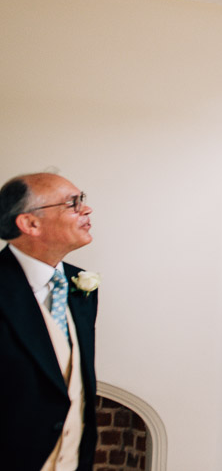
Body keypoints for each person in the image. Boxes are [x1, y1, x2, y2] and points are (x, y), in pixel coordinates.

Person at [0, 172, 99, 471]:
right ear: (30, 223)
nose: (86, 209)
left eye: (83, 199)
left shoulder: (79, 285)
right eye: (72, 203)